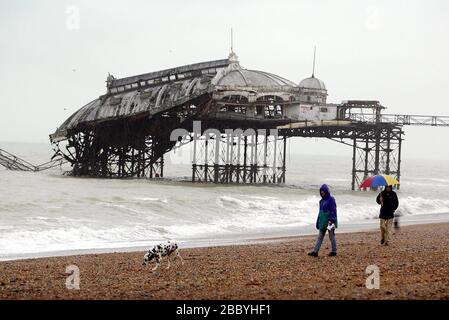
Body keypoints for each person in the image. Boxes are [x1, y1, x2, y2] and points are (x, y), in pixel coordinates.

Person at [308, 184, 338, 257]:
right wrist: (318, 221)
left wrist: (332, 220)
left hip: (330, 221)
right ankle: (315, 252)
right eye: (321, 191)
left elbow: (333, 210)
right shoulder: (321, 201)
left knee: (331, 236)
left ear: (326, 191)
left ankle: (334, 251)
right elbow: (320, 212)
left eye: (323, 191)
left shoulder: (331, 199)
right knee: (320, 236)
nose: (322, 192)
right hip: (323, 221)